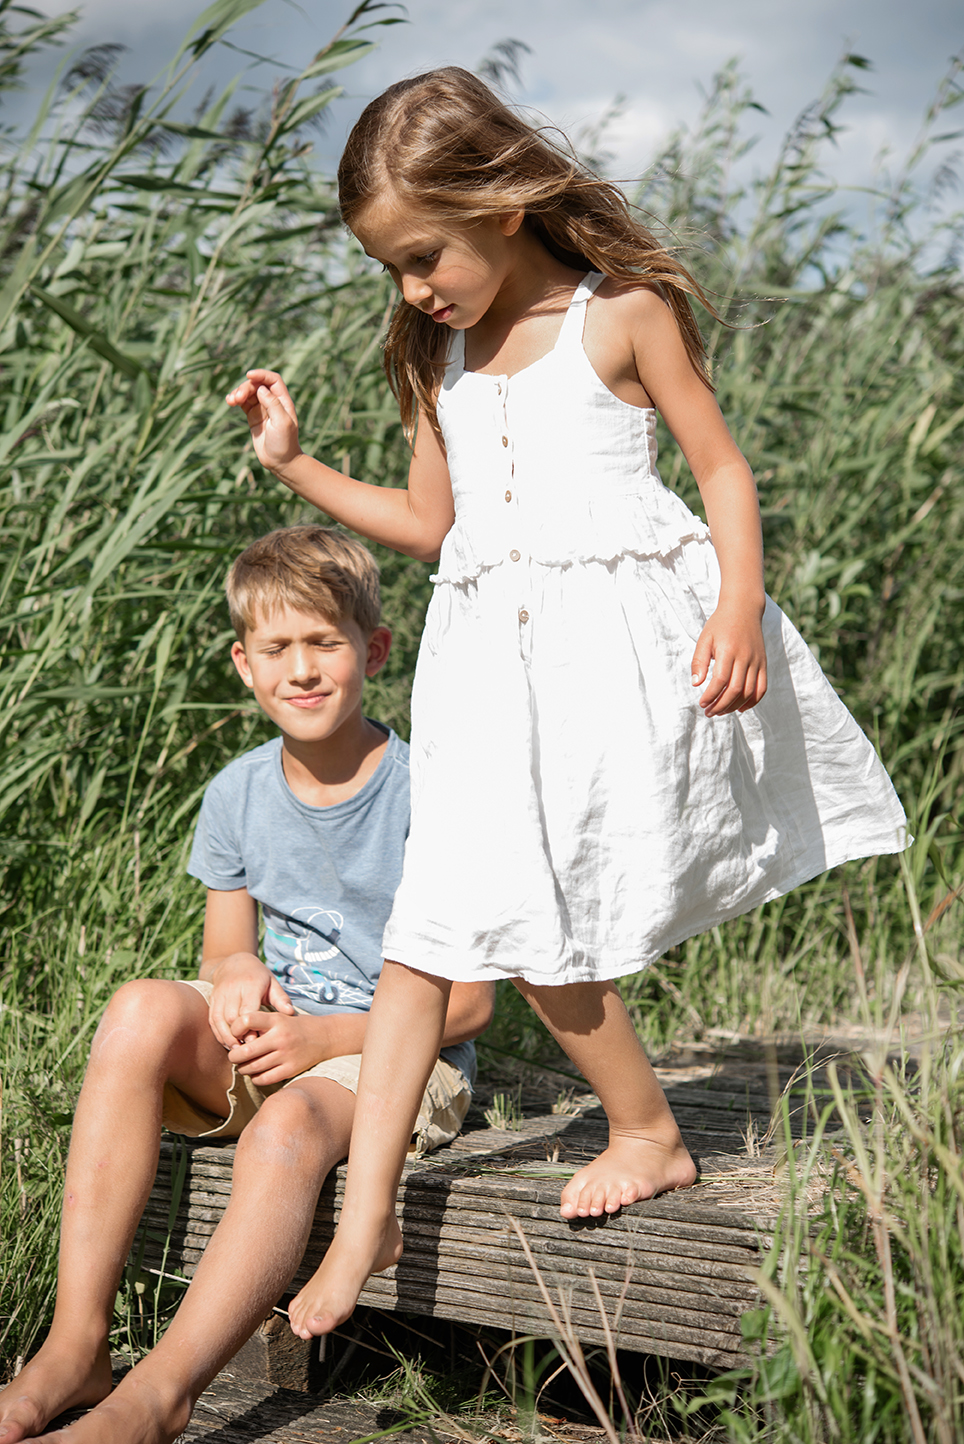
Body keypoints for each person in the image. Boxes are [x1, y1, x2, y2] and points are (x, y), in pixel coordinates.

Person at [224, 67, 909, 1340]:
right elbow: (433, 527)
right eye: (392, 268)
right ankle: (369, 1208)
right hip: (483, 665)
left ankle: (647, 1128)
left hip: (605, 662)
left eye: (421, 254)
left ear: (498, 199)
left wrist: (737, 608)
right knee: (432, 925)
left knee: (540, 927)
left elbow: (721, 466)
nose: (413, 288)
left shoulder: (622, 315)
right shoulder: (441, 356)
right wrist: (298, 463)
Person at [0, 525, 494, 1444]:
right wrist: (237, 978)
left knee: (289, 1128)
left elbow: (470, 1003)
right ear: (244, 662)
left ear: (374, 650)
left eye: (325, 643)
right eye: (277, 649)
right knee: (140, 1007)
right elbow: (226, 947)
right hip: (279, 1042)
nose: (302, 671)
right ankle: (75, 1345)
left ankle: (161, 1395)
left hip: (394, 1069)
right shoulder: (236, 794)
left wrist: (324, 1039)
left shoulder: (428, 790)